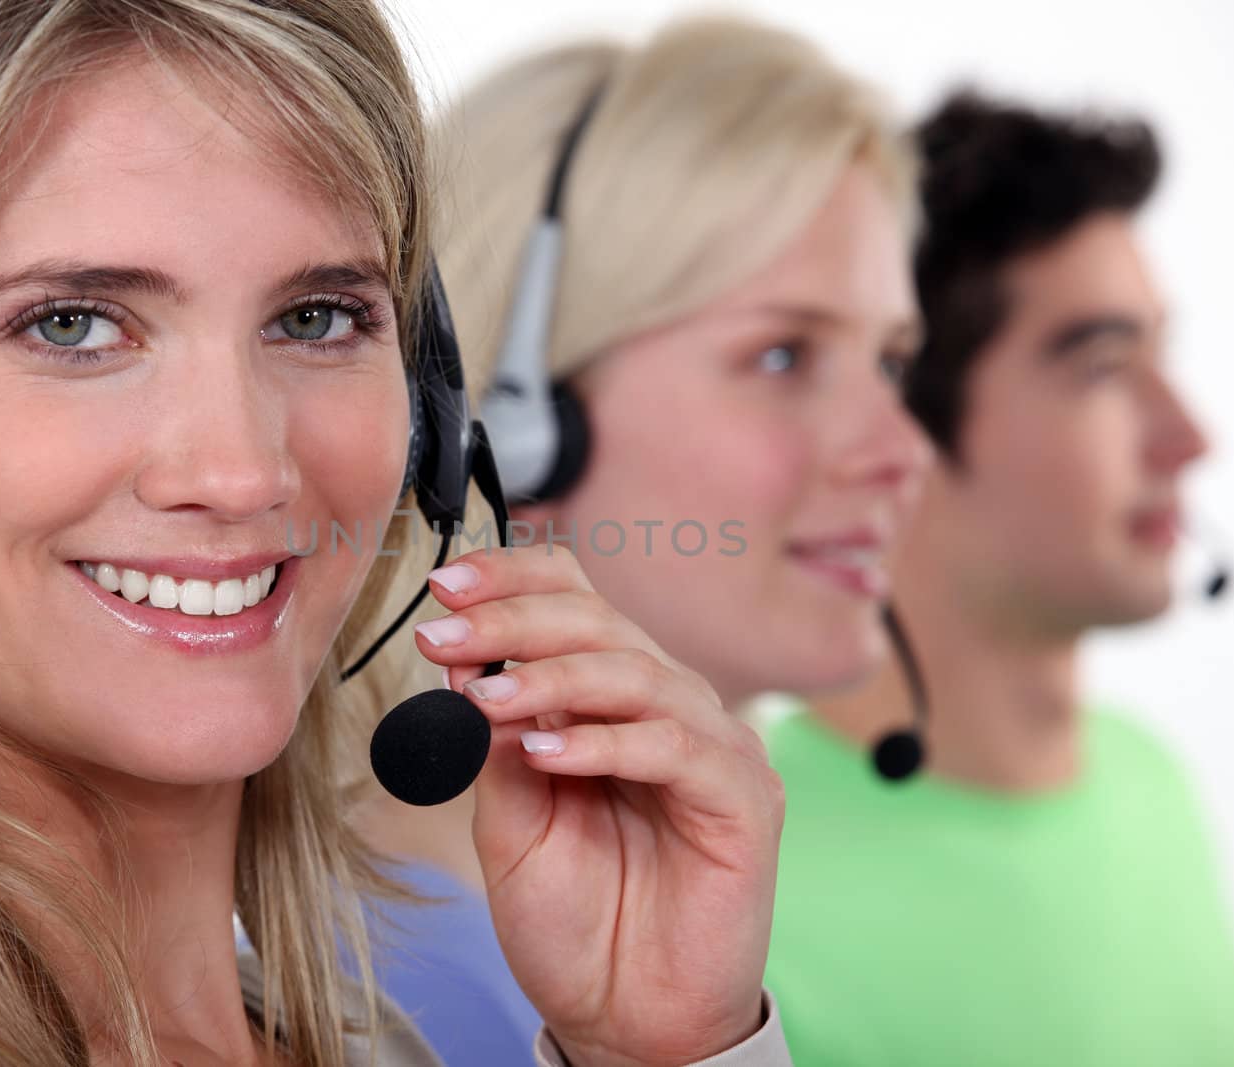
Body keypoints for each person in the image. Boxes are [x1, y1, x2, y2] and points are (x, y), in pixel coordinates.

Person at [0, 1, 790, 1064]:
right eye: (72, 324)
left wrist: (662, 1049)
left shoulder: (368, 1041)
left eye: (315, 318)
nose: (242, 471)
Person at [353, 17, 930, 1061]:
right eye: (782, 355)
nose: (901, 451)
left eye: (889, 362)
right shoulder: (370, 997)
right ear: (516, 423)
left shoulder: (701, 942)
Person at [757, 90, 1234, 1066]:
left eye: (1163, 353)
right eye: (1104, 364)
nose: (1190, 434)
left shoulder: (1149, 781)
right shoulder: (727, 879)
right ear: (897, 423)